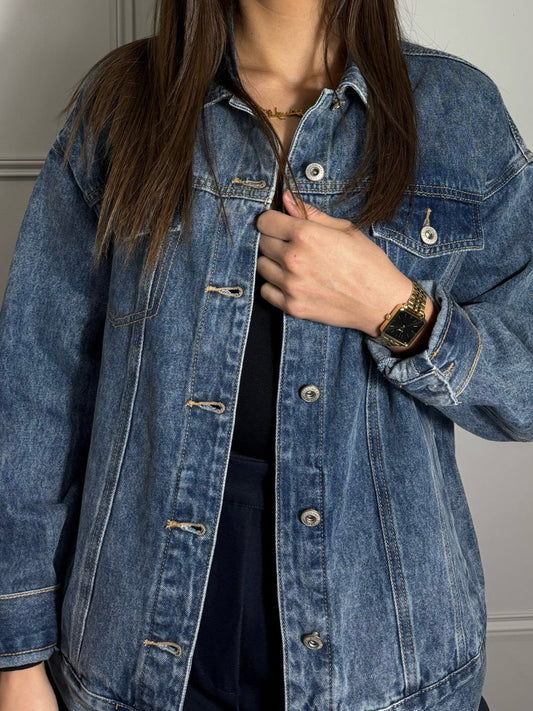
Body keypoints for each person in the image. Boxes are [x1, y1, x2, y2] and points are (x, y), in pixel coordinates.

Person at [0, 0, 530, 708]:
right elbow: (35, 389)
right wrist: (18, 656)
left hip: (385, 662)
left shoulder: (454, 111)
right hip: (139, 651)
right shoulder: (124, 102)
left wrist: (396, 310)